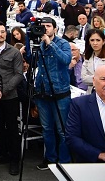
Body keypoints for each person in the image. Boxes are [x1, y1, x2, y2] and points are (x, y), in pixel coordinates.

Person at [31, 17, 73, 169]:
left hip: (60, 92)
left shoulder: (62, 43)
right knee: (47, 129)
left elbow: (66, 60)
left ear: (55, 29)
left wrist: (51, 44)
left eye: (48, 26)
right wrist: (28, 46)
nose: (45, 29)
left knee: (62, 130)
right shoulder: (38, 44)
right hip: (42, 92)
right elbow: (31, 62)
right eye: (42, 26)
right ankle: (50, 159)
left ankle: (64, 162)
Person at [0, 22, 23, 175]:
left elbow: (18, 74)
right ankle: (3, 154)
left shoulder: (14, 52)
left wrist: (3, 90)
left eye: (2, 32)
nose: (0, 34)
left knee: (12, 128)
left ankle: (15, 159)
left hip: (10, 96)